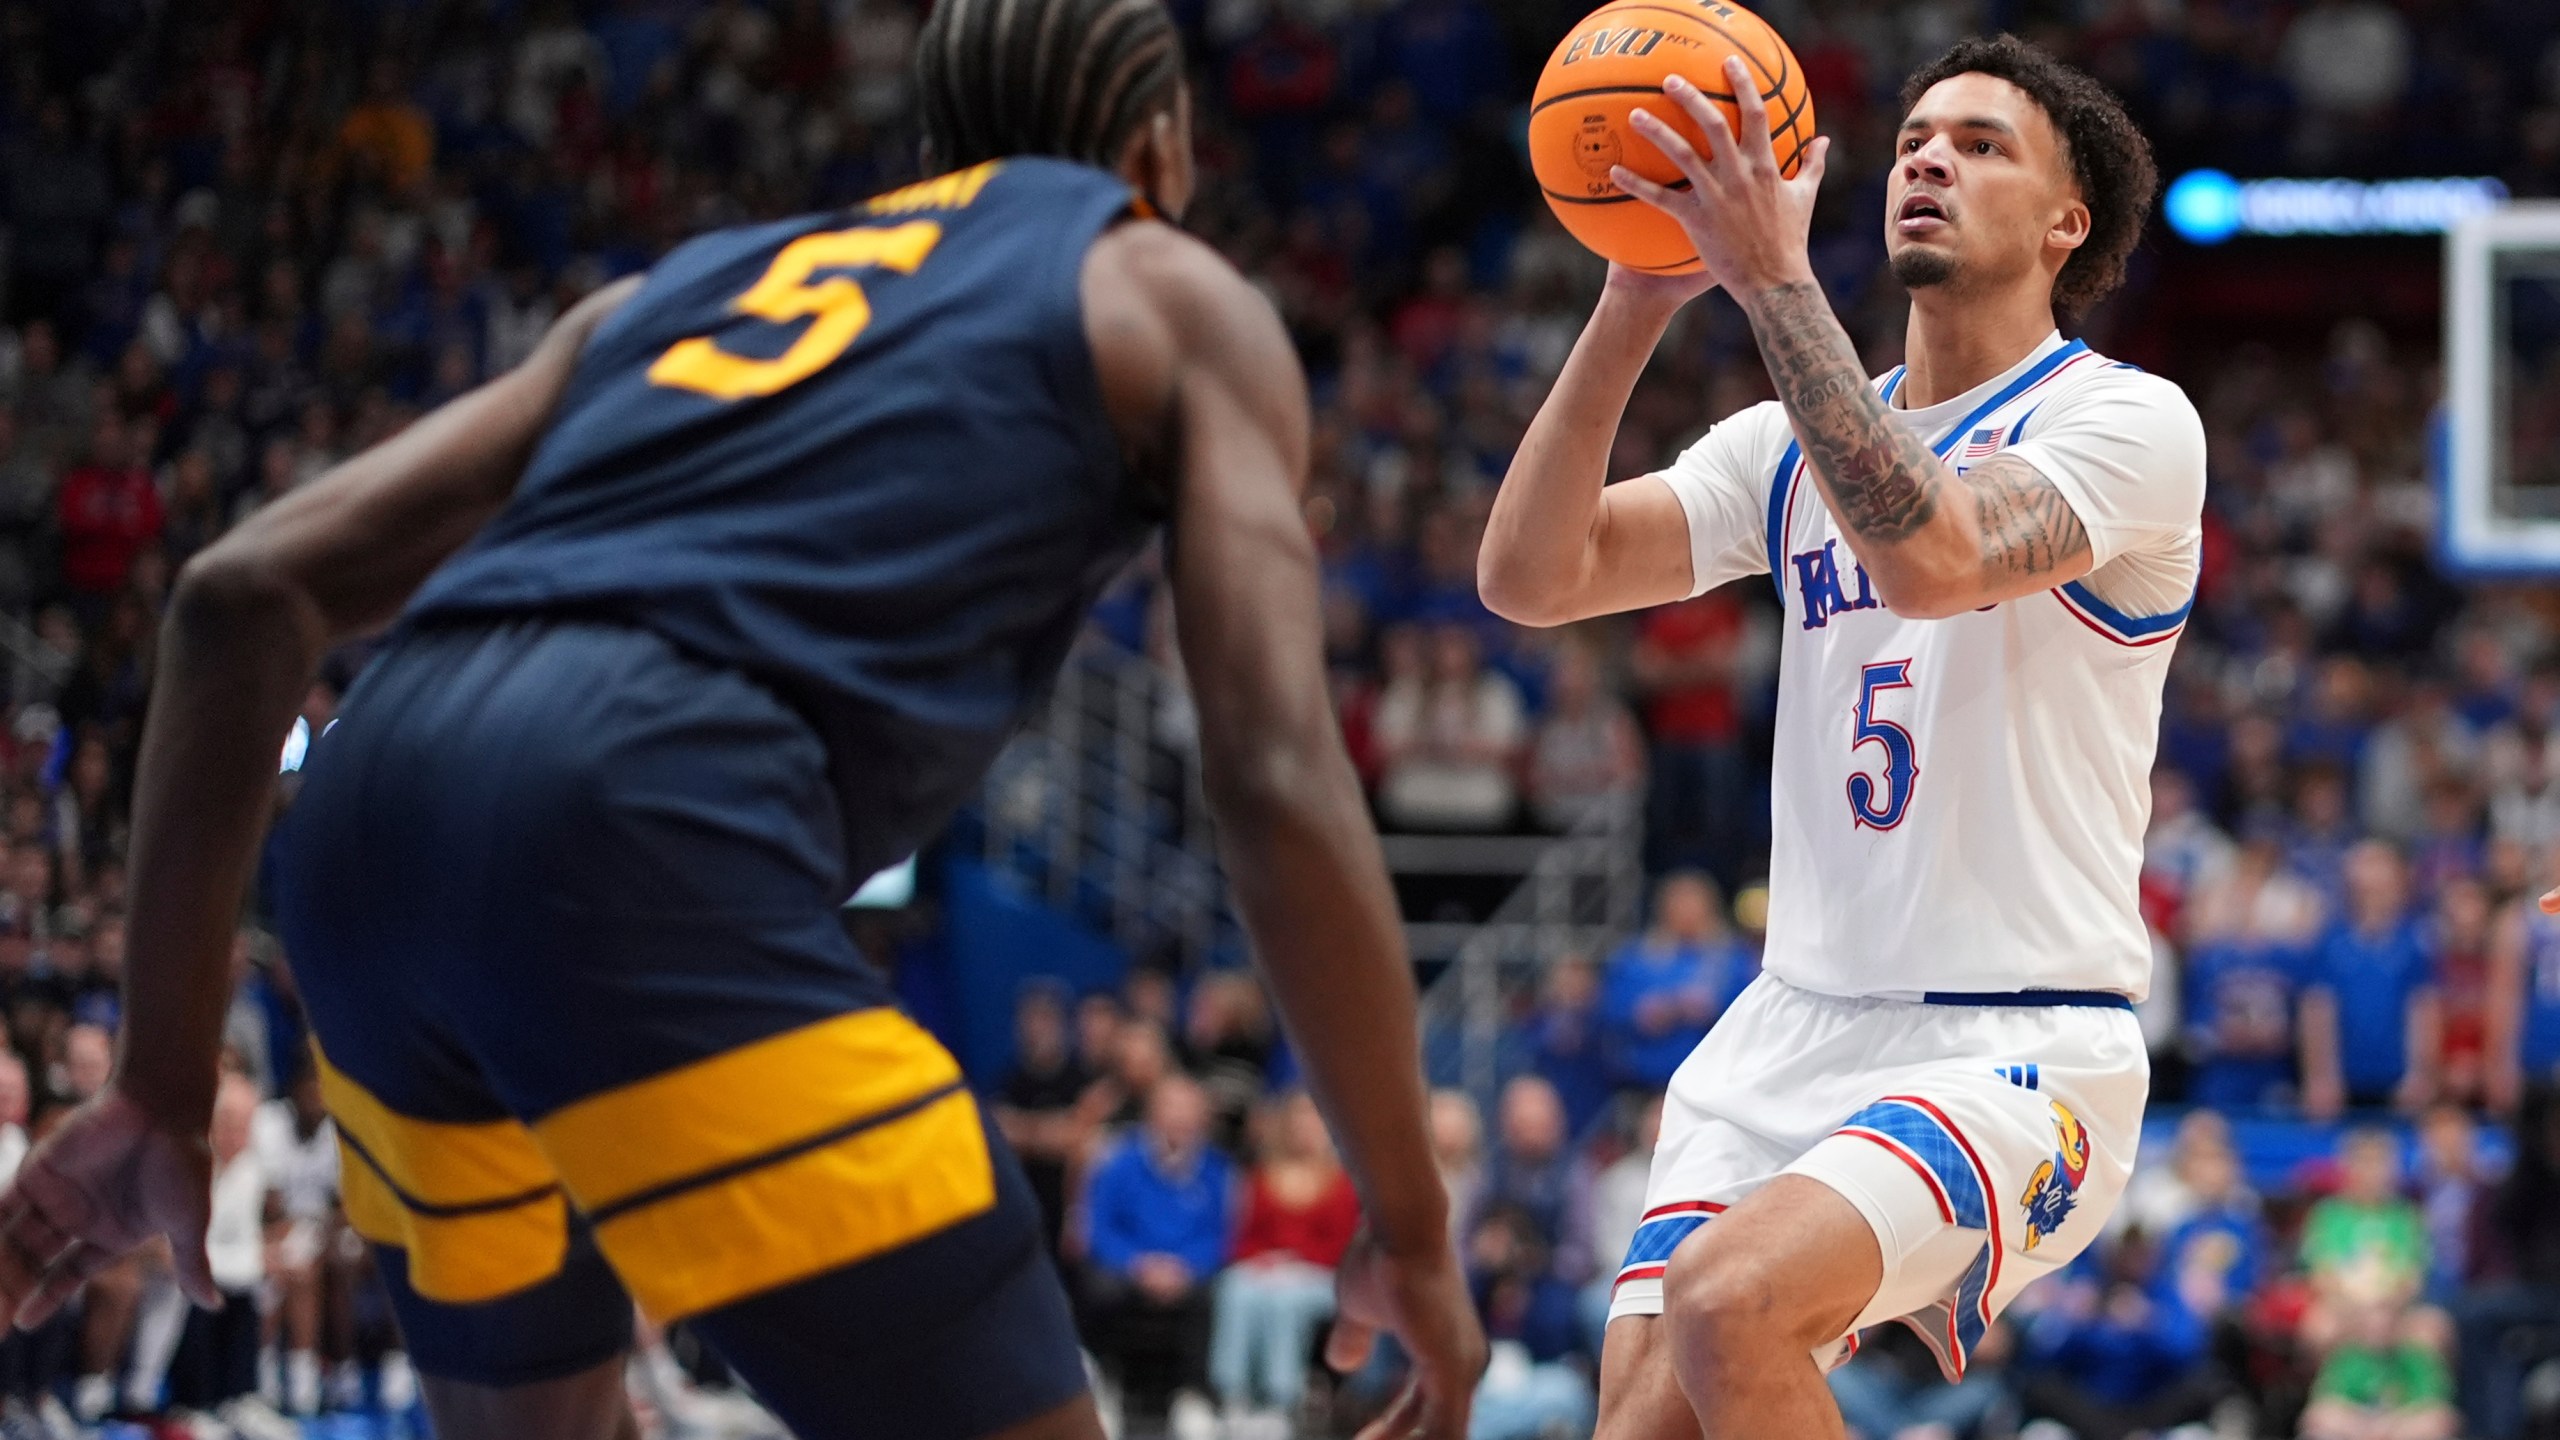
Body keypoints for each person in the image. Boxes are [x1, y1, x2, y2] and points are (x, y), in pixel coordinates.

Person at [0, 6, 1486, 1437]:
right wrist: (1411, 1224)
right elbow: (1276, 772)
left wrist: (160, 1087)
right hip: (639, 806)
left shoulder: (666, 294)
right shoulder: (1165, 284)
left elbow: (238, 593)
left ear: (929, 149)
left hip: (368, 825)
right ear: (1160, 156)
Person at [1477, 32, 2193, 1439]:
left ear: (2069, 225)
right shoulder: (1785, 446)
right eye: (1920, 136)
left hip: (2019, 1040)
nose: (1930, 155)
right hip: (1791, 1023)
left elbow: (1931, 556)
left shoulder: (2126, 424)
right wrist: (1634, 302)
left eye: (1983, 143)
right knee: (1637, 1423)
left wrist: (1769, 279)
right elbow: (1531, 577)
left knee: (1728, 1301)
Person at [1080, 1074, 1234, 1430]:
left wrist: (1185, 1267)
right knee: (1099, 1288)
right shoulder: (1119, 1160)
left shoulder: (1216, 1169)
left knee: (1219, 1292)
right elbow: (1099, 1229)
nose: (1180, 1119)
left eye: (1188, 1111)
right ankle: (1105, 1384)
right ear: (1152, 1113)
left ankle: (1194, 1396)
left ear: (1202, 1118)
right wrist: (1139, 1264)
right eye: (1171, 1109)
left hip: (1187, 1271)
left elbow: (1220, 1234)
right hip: (1132, 1266)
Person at [1211, 1091, 1360, 1435]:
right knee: (1235, 1289)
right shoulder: (1260, 1178)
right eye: (1298, 1122)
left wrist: (1297, 1263)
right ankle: (1233, 1396)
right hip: (1267, 1270)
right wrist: (1266, 1262)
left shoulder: (1341, 1184)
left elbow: (1342, 1247)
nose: (1304, 1130)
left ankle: (1279, 1401)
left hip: (1320, 1278)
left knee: (1284, 1303)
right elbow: (1243, 1239)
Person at [2299, 840, 2439, 1118]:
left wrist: (2420, 1073)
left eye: (2378, 863)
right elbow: (2318, 1010)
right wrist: (2321, 1075)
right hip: (2344, 1081)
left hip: (2397, 1080)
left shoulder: (2414, 941)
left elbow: (2423, 1009)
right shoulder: (2331, 941)